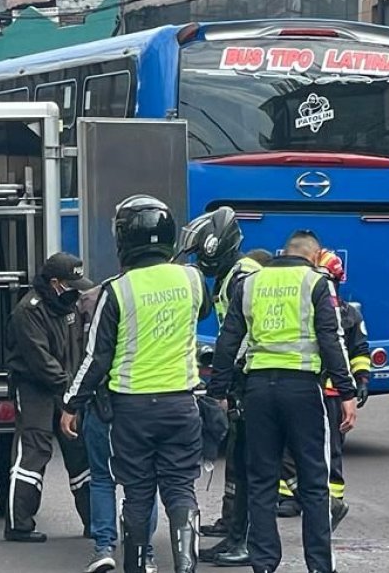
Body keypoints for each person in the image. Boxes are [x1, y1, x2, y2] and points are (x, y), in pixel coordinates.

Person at [61, 195, 211, 573]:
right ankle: (185, 561)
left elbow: (97, 357)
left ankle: (140, 565)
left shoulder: (117, 290)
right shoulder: (192, 279)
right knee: (180, 489)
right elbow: (205, 309)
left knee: (138, 493)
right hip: (182, 404)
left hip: (132, 410)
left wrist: (71, 403)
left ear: (124, 240)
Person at [209, 229, 358, 573]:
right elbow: (331, 338)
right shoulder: (317, 282)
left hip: (259, 390)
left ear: (284, 252)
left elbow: (228, 340)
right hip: (303, 389)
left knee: (261, 479)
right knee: (314, 481)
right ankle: (319, 565)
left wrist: (218, 392)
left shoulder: (250, 283)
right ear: (314, 255)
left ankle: (264, 563)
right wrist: (347, 393)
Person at [176, 206, 262, 568]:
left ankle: (246, 540)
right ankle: (234, 530)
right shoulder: (232, 275)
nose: (198, 261)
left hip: (254, 380)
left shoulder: (243, 275)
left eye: (200, 254)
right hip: (247, 378)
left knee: (252, 464)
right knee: (241, 461)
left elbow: (243, 335)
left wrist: (224, 386)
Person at [3, 252, 94, 543]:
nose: (76, 292)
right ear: (54, 283)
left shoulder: (67, 304)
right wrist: (71, 389)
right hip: (34, 388)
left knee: (79, 450)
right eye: (71, 285)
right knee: (34, 450)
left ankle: (95, 522)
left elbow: (78, 349)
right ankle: (19, 524)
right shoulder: (28, 311)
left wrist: (77, 390)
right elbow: (40, 361)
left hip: (65, 387)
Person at [75, 284, 160, 573]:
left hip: (104, 408)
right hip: (147, 407)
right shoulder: (148, 322)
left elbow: (92, 364)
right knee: (145, 482)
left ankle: (104, 548)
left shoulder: (94, 319)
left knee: (101, 479)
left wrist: (71, 404)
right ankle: (145, 553)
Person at [313, 249, 370, 529]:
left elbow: (359, 350)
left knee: (333, 448)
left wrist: (361, 380)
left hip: (336, 393)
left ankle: (333, 499)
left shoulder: (350, 315)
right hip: (310, 391)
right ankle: (288, 497)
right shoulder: (307, 309)